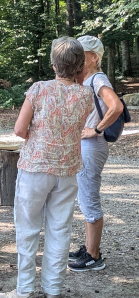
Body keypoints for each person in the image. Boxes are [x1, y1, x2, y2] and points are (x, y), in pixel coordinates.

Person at [0, 37, 94, 298]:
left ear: (54, 64)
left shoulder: (39, 89)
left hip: (36, 168)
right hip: (67, 169)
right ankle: (53, 289)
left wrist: (35, 136)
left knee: (28, 228)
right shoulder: (86, 94)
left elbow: (19, 129)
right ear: (79, 65)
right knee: (60, 229)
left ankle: (25, 290)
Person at [68, 35, 124, 272]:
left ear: (93, 57)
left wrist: (96, 129)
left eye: (82, 53)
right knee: (84, 197)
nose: (78, 57)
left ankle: (93, 256)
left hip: (92, 146)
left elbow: (117, 106)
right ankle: (90, 247)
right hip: (86, 147)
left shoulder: (97, 78)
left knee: (89, 198)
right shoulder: (86, 78)